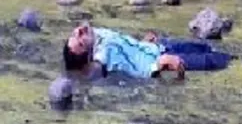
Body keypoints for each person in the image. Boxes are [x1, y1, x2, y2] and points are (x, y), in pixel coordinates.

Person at [63, 22, 232, 79]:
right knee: (218, 61)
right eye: (80, 41)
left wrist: (140, 43)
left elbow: (85, 26)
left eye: (74, 34)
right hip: (164, 60)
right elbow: (134, 72)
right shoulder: (105, 57)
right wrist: (158, 66)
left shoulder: (96, 35)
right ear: (89, 55)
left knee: (206, 47)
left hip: (159, 46)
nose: (79, 32)